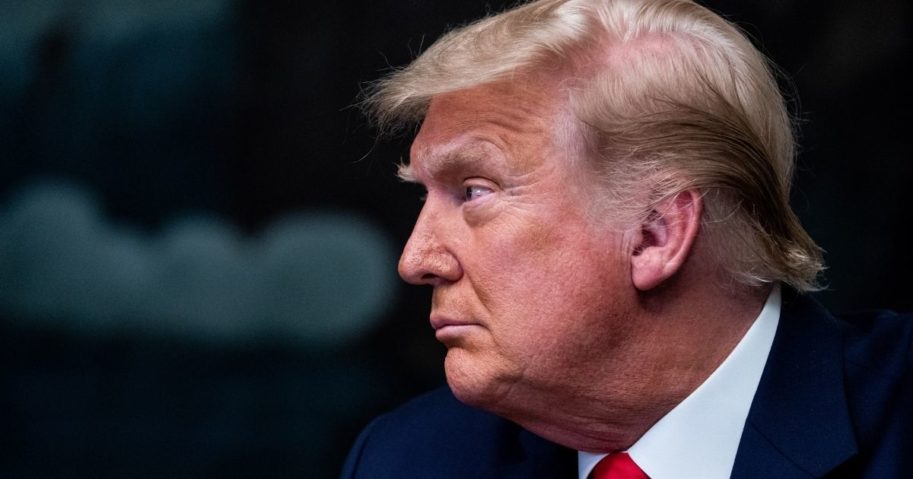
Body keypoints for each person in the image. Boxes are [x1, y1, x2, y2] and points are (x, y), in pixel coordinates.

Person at [342, 0, 913, 477]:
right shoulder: (407, 459)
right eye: (425, 195)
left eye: (473, 191)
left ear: (654, 234)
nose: (416, 261)